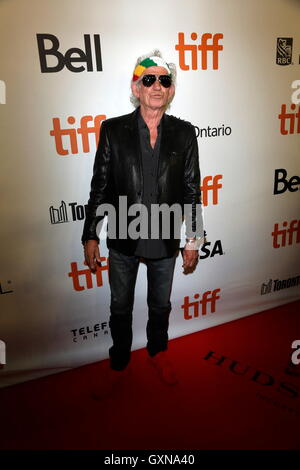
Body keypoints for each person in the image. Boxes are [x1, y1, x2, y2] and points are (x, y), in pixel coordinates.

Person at [82, 50, 203, 394]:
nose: (157, 86)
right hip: (123, 234)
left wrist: (192, 239)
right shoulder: (113, 130)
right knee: (120, 306)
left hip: (165, 235)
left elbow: (193, 190)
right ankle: (119, 362)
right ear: (136, 87)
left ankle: (158, 352)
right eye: (148, 79)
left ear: (171, 90)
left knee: (160, 305)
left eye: (164, 80)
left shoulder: (184, 133)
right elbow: (100, 187)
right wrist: (90, 234)